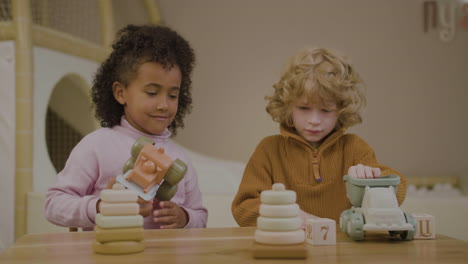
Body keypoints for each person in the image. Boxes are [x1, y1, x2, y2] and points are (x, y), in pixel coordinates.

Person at [45, 24, 207, 230]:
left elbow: (201, 216)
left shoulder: (180, 159)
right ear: (120, 93)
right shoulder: (97, 145)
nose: (163, 104)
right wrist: (101, 207)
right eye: (151, 92)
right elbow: (53, 204)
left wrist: (185, 218)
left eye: (172, 95)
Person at [231, 47, 406, 226]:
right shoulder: (268, 150)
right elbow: (244, 207)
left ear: (341, 110)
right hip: (289, 247)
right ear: (288, 105)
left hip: (344, 251)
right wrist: (292, 215)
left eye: (326, 110)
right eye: (304, 108)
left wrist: (375, 179)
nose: (314, 120)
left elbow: (397, 188)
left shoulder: (355, 148)